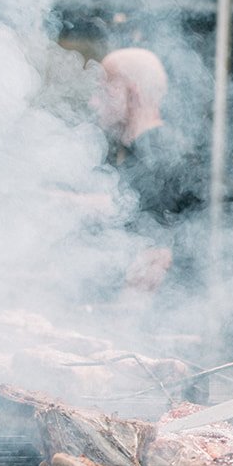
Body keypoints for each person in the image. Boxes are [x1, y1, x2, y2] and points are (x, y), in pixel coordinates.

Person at [91, 47, 203, 293]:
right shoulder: (135, 153)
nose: (94, 101)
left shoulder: (164, 153)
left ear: (132, 93)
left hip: (166, 313)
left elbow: (135, 215)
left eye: (104, 89)